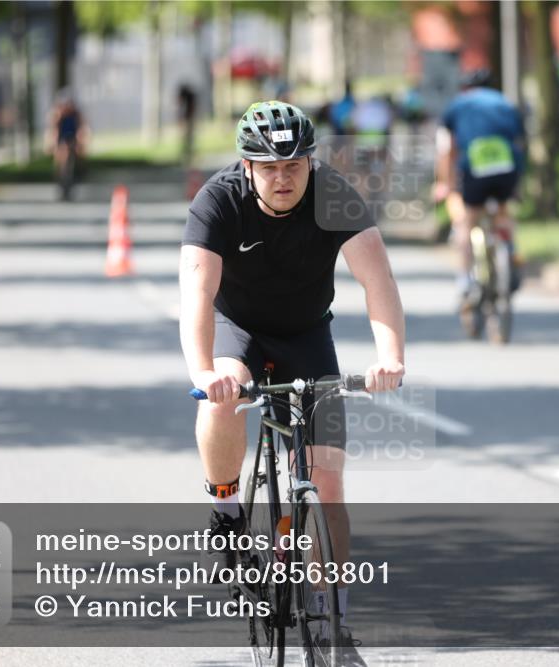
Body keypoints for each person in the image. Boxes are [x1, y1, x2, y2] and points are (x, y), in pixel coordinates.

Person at [179, 100, 405, 664]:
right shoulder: (217, 201)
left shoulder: (333, 195)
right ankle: (227, 512)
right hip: (241, 331)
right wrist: (204, 374)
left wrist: (390, 358)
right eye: (269, 168)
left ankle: (337, 623)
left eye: (295, 167)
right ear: (247, 167)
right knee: (223, 397)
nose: (283, 179)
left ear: (310, 163)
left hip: (307, 334)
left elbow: (377, 280)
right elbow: (197, 297)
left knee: (328, 482)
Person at [432, 68, 527, 311]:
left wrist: (444, 182)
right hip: (507, 165)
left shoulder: (458, 105)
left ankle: (465, 281)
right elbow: (519, 142)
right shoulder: (505, 104)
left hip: (475, 166)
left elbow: (448, 150)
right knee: (503, 213)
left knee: (466, 222)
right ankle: (511, 254)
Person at [44, 89, 89, 192]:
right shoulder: (57, 114)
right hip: (62, 138)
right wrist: (53, 144)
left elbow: (82, 128)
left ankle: (78, 173)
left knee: (78, 153)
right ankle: (60, 177)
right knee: (61, 155)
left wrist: (81, 143)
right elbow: (53, 130)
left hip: (72, 137)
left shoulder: (76, 114)